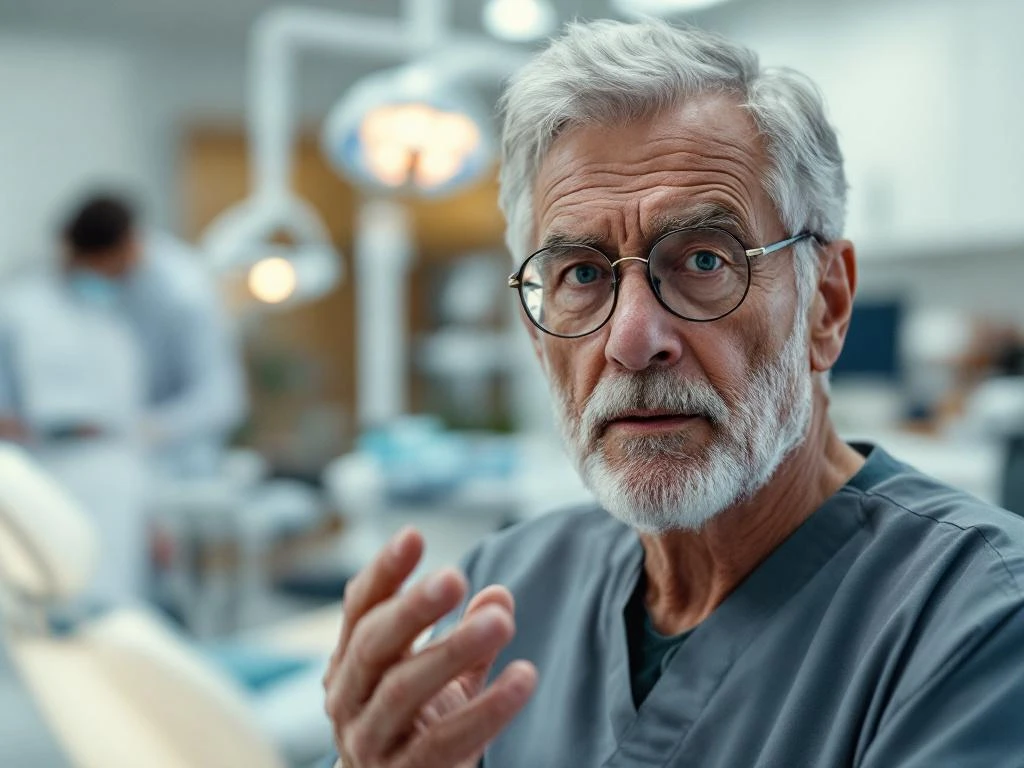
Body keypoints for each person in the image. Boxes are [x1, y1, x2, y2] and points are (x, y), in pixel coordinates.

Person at [322, 20, 1024, 768]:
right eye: (582, 275)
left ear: (827, 304)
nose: (631, 338)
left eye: (701, 259)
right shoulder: (508, 588)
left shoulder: (980, 619)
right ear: (537, 335)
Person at [59, 193, 247, 477]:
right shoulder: (120, 289)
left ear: (128, 248)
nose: (87, 276)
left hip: (181, 463)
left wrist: (143, 429)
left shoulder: (185, 294)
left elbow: (220, 400)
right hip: (120, 459)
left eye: (95, 266)